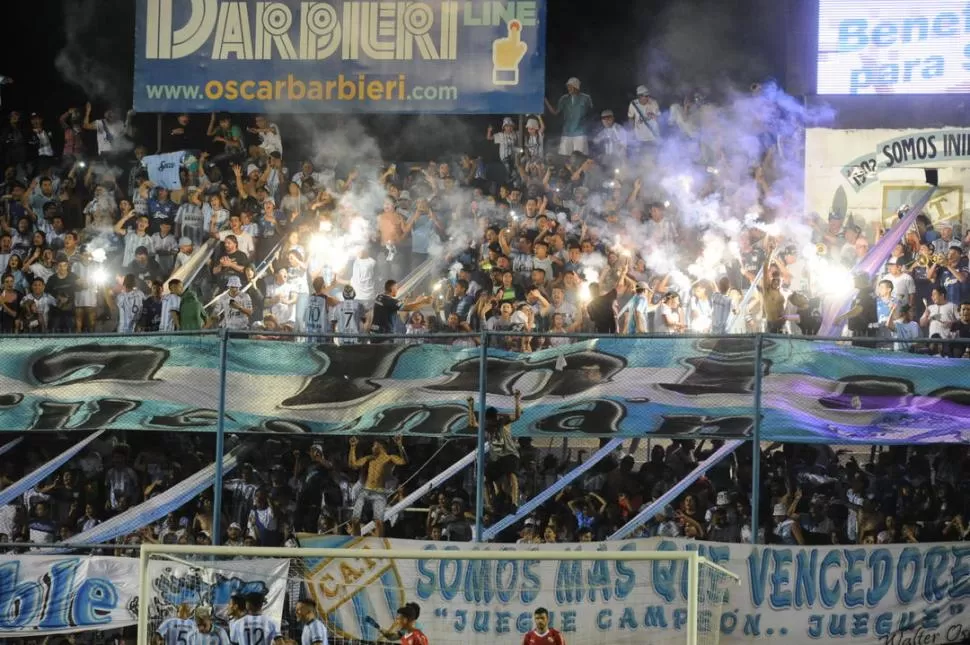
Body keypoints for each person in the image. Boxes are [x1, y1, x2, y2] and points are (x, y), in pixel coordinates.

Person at [467, 390, 522, 509]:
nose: (490, 423)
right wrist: (470, 406)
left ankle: (514, 502)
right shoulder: (486, 425)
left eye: (492, 420)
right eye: (489, 421)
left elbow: (517, 416)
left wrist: (517, 399)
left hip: (510, 455)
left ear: (495, 418)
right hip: (497, 459)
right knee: (486, 480)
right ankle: (490, 504)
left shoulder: (503, 422)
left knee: (511, 475)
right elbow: (472, 423)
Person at [348, 435, 407, 537]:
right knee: (355, 519)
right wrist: (352, 448)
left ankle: (379, 547)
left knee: (378, 522)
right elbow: (353, 465)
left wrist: (400, 445)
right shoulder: (369, 458)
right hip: (365, 490)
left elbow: (404, 461)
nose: (371, 448)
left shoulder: (389, 458)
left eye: (373, 445)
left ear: (380, 445)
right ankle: (355, 543)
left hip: (379, 491)